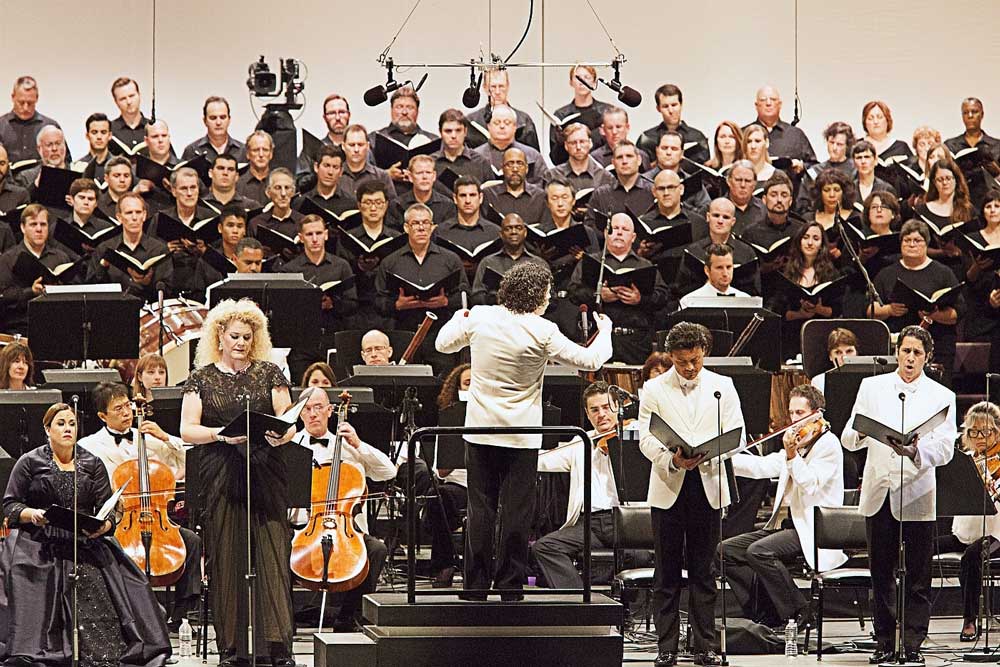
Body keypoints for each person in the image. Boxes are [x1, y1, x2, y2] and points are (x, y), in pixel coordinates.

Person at [435, 262, 612, 600]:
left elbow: (444, 344)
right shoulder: (542, 329)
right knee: (516, 513)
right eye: (547, 293)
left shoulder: (483, 316)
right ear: (538, 295)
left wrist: (461, 317)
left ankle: (474, 586)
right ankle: (510, 586)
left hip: (481, 431)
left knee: (480, 510)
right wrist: (604, 330)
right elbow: (590, 361)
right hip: (521, 434)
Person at [0, 402, 170, 666]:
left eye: (72, 424)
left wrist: (105, 525)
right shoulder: (30, 462)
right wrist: (32, 514)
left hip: (83, 539)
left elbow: (110, 509)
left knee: (109, 580)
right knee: (32, 576)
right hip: (41, 540)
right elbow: (10, 505)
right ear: (47, 429)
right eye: (61, 423)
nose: (68, 429)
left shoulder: (91, 462)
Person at [179, 299, 298, 666]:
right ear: (219, 336)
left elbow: (287, 419)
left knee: (271, 551)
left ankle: (277, 646)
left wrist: (284, 435)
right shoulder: (201, 378)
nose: (241, 343)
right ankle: (232, 648)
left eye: (248, 337)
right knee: (226, 556)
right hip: (221, 470)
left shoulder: (270, 373)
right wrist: (220, 435)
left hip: (265, 468)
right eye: (235, 336)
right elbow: (187, 429)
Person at [841, 325, 956, 664]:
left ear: (927, 357)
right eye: (905, 351)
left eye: (916, 353)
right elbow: (849, 436)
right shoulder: (872, 387)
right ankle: (884, 642)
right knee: (881, 573)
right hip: (879, 489)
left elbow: (946, 449)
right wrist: (862, 433)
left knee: (918, 574)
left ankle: (912, 642)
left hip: (917, 491)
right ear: (897, 352)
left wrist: (917, 452)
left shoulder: (941, 396)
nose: (909, 358)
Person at [638, 322, 745, 667]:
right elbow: (645, 438)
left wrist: (711, 453)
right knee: (666, 572)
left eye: (696, 360)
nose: (690, 368)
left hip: (708, 483)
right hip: (670, 485)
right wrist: (671, 458)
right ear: (671, 356)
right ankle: (666, 646)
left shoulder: (722, 386)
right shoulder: (654, 388)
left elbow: (737, 437)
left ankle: (705, 647)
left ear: (704, 354)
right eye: (683, 362)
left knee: (704, 571)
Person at [78, 381, 202, 633]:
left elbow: (192, 459)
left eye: (128, 406)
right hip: (118, 520)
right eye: (118, 409)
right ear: (103, 416)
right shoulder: (89, 446)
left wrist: (166, 437)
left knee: (191, 541)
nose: (126, 413)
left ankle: (181, 616)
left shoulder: (150, 440)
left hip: (155, 517)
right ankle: (137, 614)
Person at [722, 384, 845, 630]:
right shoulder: (798, 445)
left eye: (800, 413)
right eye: (791, 413)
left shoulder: (828, 445)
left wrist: (791, 456)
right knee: (725, 552)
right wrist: (723, 458)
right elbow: (762, 467)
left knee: (759, 552)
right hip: (787, 526)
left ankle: (801, 611)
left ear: (817, 414)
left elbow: (810, 484)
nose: (794, 420)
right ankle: (767, 613)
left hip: (813, 529)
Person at [292, 387, 395, 631]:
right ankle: (286, 623)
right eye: (307, 409)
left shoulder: (349, 446)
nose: (313, 414)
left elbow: (389, 472)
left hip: (344, 528)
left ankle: (349, 617)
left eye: (318, 407)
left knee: (377, 550)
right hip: (302, 528)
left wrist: (358, 444)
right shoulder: (291, 446)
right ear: (299, 414)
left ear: (330, 411)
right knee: (276, 545)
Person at [532, 381, 621, 589]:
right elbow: (543, 460)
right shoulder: (580, 441)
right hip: (589, 524)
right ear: (588, 414)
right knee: (545, 547)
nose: (601, 414)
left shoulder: (634, 436)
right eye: (595, 410)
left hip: (624, 522)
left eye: (607, 408)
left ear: (617, 408)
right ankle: (579, 599)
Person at [375, 203, 469, 373]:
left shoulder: (450, 260)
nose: (421, 228)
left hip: (440, 335)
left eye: (425, 223)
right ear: (405, 228)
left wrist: (445, 301)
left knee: (443, 386)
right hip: (404, 334)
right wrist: (397, 305)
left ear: (432, 227)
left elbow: (465, 297)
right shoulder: (391, 262)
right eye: (415, 223)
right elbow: (378, 300)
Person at [934, 401, 1000, 642]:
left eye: (986, 431)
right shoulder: (964, 461)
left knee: (972, 556)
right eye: (974, 432)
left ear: (997, 431)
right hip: (965, 532)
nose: (980, 437)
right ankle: (907, 618)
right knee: (919, 548)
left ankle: (969, 620)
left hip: (995, 534)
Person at [871, 219, 964, 386]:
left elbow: (958, 313)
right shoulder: (887, 274)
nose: (911, 244)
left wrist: (935, 315)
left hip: (938, 345)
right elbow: (870, 309)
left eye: (917, 240)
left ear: (926, 244)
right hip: (897, 348)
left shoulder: (943, 273)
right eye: (907, 240)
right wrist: (889, 310)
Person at [570, 212, 669, 364]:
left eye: (625, 229)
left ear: (633, 237)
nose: (619, 232)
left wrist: (640, 299)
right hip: (596, 339)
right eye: (615, 228)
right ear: (605, 232)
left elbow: (663, 297)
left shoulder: (645, 265)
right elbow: (573, 292)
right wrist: (598, 294)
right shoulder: (590, 262)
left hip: (635, 343)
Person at [280, 214, 358, 380]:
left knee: (337, 387)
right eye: (309, 234)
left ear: (326, 234)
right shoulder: (290, 270)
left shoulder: (341, 265)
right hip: (302, 342)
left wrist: (333, 304)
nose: (315, 239)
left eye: (318, 233)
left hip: (333, 337)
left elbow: (352, 303)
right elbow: (284, 310)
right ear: (301, 238)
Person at [424, 363, 472, 587]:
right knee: (438, 497)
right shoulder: (450, 419)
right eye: (467, 384)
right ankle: (444, 564)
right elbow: (441, 472)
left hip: (491, 485)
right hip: (459, 487)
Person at [768, 221, 844, 360]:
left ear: (822, 244)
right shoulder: (786, 272)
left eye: (815, 239)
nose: (810, 243)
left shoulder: (831, 273)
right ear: (799, 241)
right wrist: (799, 314)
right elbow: (777, 311)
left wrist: (819, 309)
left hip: (821, 336)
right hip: (790, 338)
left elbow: (837, 310)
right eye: (806, 237)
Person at [0, 204, 78, 336]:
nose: (39, 229)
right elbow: (4, 296)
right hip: (20, 327)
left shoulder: (60, 257)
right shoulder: (8, 258)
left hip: (56, 325)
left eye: (43, 224)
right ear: (23, 227)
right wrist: (32, 291)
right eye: (33, 224)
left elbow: (73, 293)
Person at [336, 180, 399, 331]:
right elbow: (342, 275)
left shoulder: (396, 238)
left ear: (386, 204)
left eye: (378, 202)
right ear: (359, 205)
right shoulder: (347, 238)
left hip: (388, 312)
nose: (373, 208)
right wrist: (358, 267)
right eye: (367, 202)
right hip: (356, 310)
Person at [674, 197, 761, 299]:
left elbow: (755, 292)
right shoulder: (693, 251)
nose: (720, 221)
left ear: (733, 221)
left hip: (737, 306)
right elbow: (681, 289)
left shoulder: (746, 252)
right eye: (716, 215)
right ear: (708, 217)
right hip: (700, 307)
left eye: (726, 217)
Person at [914, 156, 973, 278]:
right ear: (934, 183)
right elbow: (915, 245)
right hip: (929, 271)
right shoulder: (922, 210)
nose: (945, 183)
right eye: (940, 179)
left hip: (961, 270)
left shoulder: (968, 210)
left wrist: (958, 251)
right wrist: (942, 252)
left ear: (956, 180)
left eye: (948, 178)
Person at [471, 213, 547, 305]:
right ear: (501, 234)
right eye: (508, 228)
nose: (513, 232)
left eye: (518, 228)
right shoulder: (487, 263)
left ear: (525, 232)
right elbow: (476, 297)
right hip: (496, 316)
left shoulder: (539, 264)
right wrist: (497, 297)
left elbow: (551, 299)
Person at [963, 188, 1000, 372]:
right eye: (988, 206)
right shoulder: (974, 239)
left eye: (997, 206)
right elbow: (968, 280)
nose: (993, 209)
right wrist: (977, 266)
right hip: (980, 305)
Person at [547, 65, 611, 165]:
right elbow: (555, 159)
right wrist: (561, 143)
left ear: (594, 82)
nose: (582, 82)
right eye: (578, 78)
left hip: (602, 168)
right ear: (571, 82)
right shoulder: (561, 115)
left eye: (587, 77)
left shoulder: (607, 112)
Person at [746, 85, 815, 175]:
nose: (768, 103)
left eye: (773, 99)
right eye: (763, 100)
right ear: (756, 105)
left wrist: (802, 166)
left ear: (780, 104)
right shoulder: (744, 134)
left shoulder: (796, 134)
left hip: (789, 187)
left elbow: (814, 167)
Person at [584, 140, 654, 228]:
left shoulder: (653, 191)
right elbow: (590, 229)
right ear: (613, 163)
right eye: (620, 157)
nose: (624, 161)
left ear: (639, 160)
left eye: (629, 156)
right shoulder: (600, 194)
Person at [465, 68, 540, 151]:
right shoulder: (472, 121)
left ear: (508, 86)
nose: (497, 92)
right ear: (485, 88)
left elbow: (534, 156)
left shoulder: (524, 121)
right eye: (493, 87)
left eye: (501, 86)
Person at [945, 98, 1000, 208]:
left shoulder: (997, 145)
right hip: (959, 203)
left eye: (974, 112)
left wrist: (996, 171)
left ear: (982, 114)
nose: (970, 116)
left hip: (990, 205)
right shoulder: (950, 145)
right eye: (965, 113)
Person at [636, 84, 710, 165]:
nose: (671, 110)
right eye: (665, 106)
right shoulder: (646, 138)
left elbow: (705, 169)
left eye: (674, 105)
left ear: (681, 105)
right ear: (658, 108)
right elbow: (640, 171)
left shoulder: (697, 137)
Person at [473, 105, 547, 185]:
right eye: (497, 123)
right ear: (488, 126)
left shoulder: (532, 156)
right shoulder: (475, 156)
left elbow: (543, 188)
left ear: (515, 127)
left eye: (507, 123)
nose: (502, 126)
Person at [0, 76, 64, 164]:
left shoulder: (50, 126)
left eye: (30, 103)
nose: (25, 108)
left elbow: (65, 160)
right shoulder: (1, 125)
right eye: (21, 102)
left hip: (42, 176)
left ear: (37, 98)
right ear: (13, 97)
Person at [796, 121, 857, 214]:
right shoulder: (814, 172)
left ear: (847, 146)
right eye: (832, 142)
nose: (834, 148)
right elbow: (803, 202)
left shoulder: (856, 170)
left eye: (839, 144)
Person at [386, 154, 455, 228]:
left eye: (428, 172)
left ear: (434, 176)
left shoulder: (447, 205)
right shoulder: (397, 205)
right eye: (419, 173)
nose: (424, 177)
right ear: (410, 177)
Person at [482, 148, 546, 225]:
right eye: (510, 164)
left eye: (519, 163)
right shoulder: (488, 195)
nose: (515, 169)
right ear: (502, 169)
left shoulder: (540, 196)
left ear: (526, 168)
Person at [544, 122, 615, 192]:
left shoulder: (605, 177)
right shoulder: (552, 176)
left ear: (590, 143)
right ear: (566, 146)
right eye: (573, 143)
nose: (578, 147)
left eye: (582, 142)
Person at [431, 109, 495, 184]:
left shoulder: (481, 162)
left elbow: (490, 193)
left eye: (458, 130)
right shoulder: (431, 163)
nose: (453, 136)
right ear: (440, 132)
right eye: (448, 131)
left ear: (465, 132)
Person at [678, 243, 750, 308]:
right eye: (719, 268)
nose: (725, 273)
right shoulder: (688, 302)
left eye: (728, 267)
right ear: (707, 270)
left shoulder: (747, 300)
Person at [181, 96, 246, 162]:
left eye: (222, 117)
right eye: (213, 118)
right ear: (205, 121)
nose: (218, 122)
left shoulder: (243, 151)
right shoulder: (192, 151)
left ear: (229, 120)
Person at [810, 327, 858, 394]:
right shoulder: (819, 381)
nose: (844, 357)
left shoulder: (869, 380)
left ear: (856, 353)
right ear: (830, 356)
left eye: (849, 351)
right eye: (838, 352)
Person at [109, 77, 150, 151]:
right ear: (116, 102)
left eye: (131, 96)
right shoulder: (109, 131)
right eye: (123, 99)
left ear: (139, 95)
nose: (129, 102)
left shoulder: (153, 127)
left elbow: (170, 159)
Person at [726, 160, 768, 232]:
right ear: (729, 181)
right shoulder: (714, 209)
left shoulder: (765, 210)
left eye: (748, 181)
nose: (743, 185)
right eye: (738, 180)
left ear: (754, 184)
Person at [238, 131, 273, 205]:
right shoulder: (237, 184)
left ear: (271, 154)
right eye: (256, 150)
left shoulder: (280, 183)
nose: (261, 154)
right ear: (247, 154)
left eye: (265, 150)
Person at [78, 112, 112, 181]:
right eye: (94, 132)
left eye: (103, 132)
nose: (99, 137)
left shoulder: (119, 166)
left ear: (110, 135)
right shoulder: (77, 167)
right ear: (87, 136)